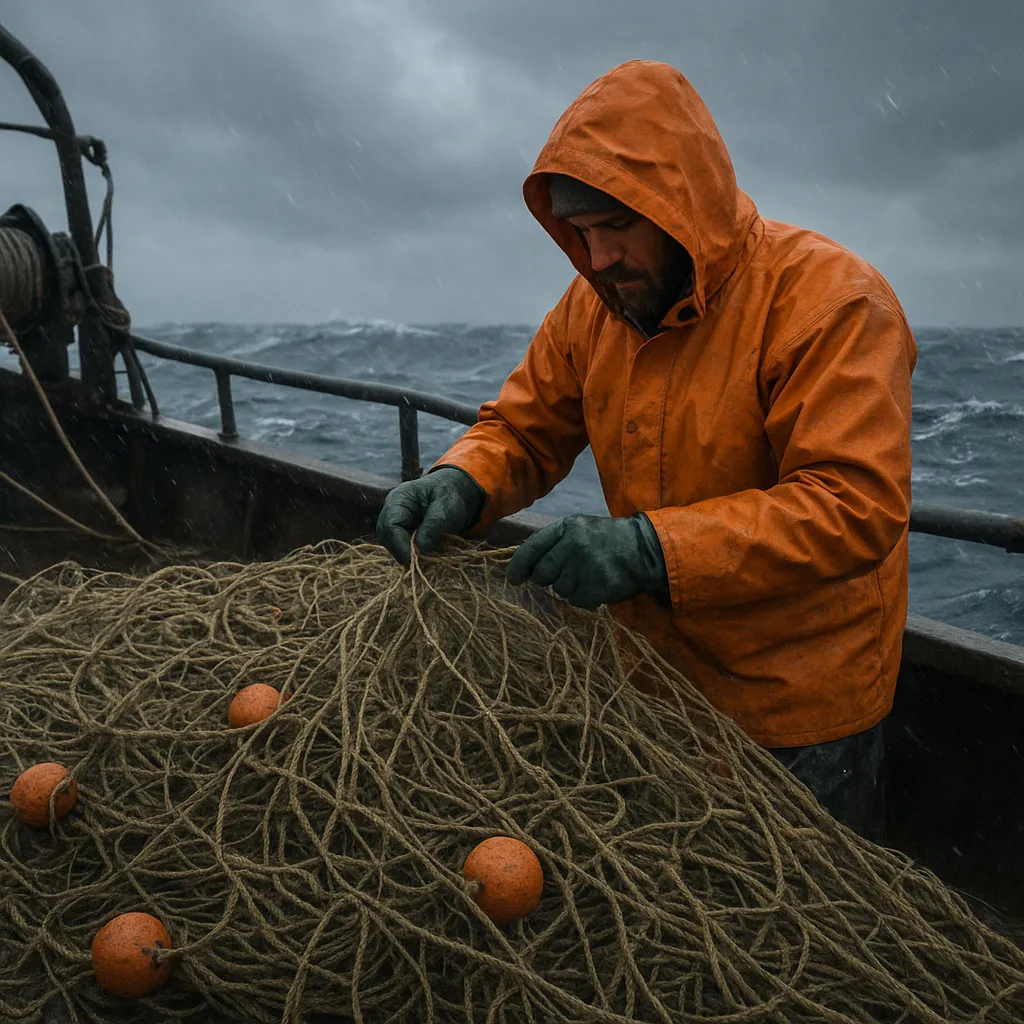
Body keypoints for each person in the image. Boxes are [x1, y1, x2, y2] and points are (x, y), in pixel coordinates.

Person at [376, 60, 916, 843]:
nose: (598, 260)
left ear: (682, 207)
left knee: (784, 948)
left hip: (796, 711)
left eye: (616, 227)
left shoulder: (834, 304)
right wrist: (461, 479)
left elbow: (853, 504)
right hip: (652, 686)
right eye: (581, 233)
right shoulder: (595, 309)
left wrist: (649, 550)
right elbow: (524, 428)